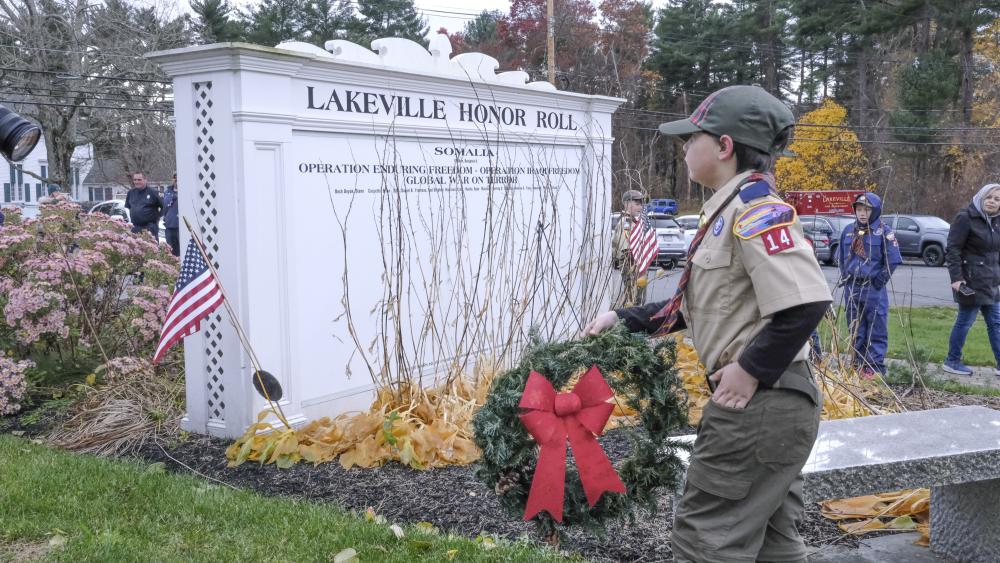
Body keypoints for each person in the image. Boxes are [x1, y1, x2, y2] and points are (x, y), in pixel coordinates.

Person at [581, 85, 832, 563]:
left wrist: (750, 368)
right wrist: (623, 317)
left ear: (724, 146)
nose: (684, 146)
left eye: (693, 136)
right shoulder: (725, 210)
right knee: (773, 545)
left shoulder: (756, 211)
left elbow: (807, 303)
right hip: (772, 407)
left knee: (705, 541)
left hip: (758, 404)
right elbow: (699, 302)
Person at [837, 193, 902, 378]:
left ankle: (873, 367)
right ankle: (857, 363)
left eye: (867, 209)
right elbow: (842, 257)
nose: (862, 214)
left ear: (875, 211)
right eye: (859, 209)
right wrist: (846, 276)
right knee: (855, 327)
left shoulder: (884, 232)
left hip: (873, 288)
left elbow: (893, 259)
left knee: (876, 326)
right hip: (852, 287)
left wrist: (878, 281)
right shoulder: (848, 230)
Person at [943, 183, 1000, 376]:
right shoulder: (965, 217)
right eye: (989, 197)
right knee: (965, 322)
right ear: (981, 198)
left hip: (991, 284)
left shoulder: (997, 221)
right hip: (971, 281)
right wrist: (957, 278)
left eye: (997, 199)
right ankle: (952, 361)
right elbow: (953, 249)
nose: (992, 201)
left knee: (996, 323)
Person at [612, 189, 649, 307]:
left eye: (641, 204)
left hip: (637, 263)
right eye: (637, 204)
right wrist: (634, 268)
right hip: (631, 263)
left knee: (639, 297)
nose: (640, 207)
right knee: (633, 297)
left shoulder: (635, 221)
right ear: (627, 204)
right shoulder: (626, 222)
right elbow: (626, 249)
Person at [124, 172, 163, 240]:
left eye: (139, 180)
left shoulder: (153, 192)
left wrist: (158, 217)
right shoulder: (131, 193)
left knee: (150, 250)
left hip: (149, 227)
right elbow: (128, 207)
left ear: (145, 180)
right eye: (135, 180)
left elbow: (164, 206)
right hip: (135, 228)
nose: (137, 182)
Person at [163, 173, 179, 256]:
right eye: (174, 178)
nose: (176, 180)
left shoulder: (186, 191)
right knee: (170, 252)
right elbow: (165, 204)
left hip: (180, 228)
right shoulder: (168, 192)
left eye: (178, 178)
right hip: (169, 227)